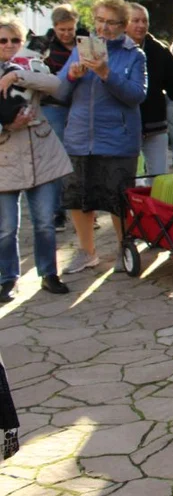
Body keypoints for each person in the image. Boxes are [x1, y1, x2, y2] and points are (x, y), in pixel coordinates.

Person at [56, 0, 147, 275]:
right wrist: (71, 75)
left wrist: (107, 73)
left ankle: (124, 249)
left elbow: (136, 95)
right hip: (80, 137)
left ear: (124, 25)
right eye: (100, 21)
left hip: (117, 140)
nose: (105, 28)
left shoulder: (134, 55)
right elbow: (58, 92)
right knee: (78, 198)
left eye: (112, 23)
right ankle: (87, 252)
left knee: (118, 200)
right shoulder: (79, 49)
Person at [0, 16, 71, 299]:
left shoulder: (31, 65)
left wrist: (16, 75)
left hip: (41, 155)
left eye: (15, 40)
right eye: (2, 40)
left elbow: (56, 85)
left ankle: (48, 274)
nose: (9, 45)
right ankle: (8, 278)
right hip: (5, 157)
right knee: (5, 228)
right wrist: (7, 126)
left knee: (44, 222)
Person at [32, 4, 87, 230]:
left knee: (78, 160)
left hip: (80, 106)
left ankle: (82, 211)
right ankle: (58, 212)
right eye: (61, 29)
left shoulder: (85, 43)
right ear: (54, 27)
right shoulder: (43, 46)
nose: (66, 34)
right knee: (58, 159)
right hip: (53, 106)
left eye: (70, 29)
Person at [127, 4, 173, 177]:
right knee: (128, 177)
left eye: (144, 21)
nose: (141, 25)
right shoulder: (115, 50)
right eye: (135, 20)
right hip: (125, 126)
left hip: (155, 124)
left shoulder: (158, 51)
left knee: (158, 178)